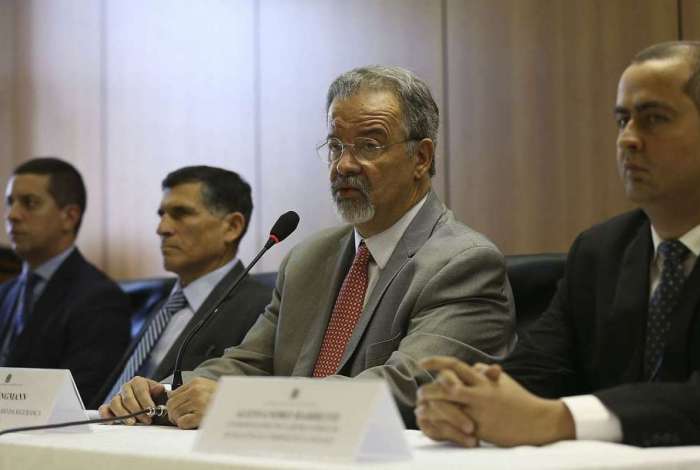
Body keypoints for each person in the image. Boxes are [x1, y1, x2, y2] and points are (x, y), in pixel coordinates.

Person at [102, 65, 515, 429]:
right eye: (335, 146)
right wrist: (171, 391)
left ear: (421, 158)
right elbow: (251, 362)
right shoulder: (308, 258)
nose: (344, 165)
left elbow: (406, 388)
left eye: (369, 145)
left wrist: (244, 406)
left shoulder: (462, 263)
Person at [416, 41, 700, 448]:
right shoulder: (601, 251)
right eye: (622, 121)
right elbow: (538, 370)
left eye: (654, 119)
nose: (628, 140)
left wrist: (562, 419)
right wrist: (466, 401)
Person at [96, 166, 271, 406]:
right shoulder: (158, 304)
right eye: (162, 214)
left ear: (232, 227)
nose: (162, 228)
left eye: (181, 214)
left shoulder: (262, 307)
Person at [0, 157, 130, 406]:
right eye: (10, 202)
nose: (13, 215)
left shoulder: (100, 300)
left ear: (69, 216)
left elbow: (80, 397)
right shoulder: (4, 293)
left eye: (29, 203)